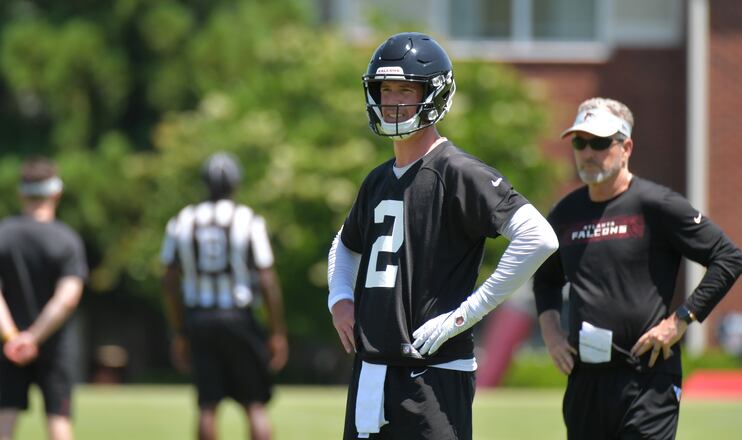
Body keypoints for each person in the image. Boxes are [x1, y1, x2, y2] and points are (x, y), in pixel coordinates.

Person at [327, 32, 559, 440]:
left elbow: (538, 237)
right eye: (385, 89)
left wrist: (467, 313)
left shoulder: (457, 171)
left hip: (431, 374)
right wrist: (340, 298)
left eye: (406, 89)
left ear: (434, 95)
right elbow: (345, 245)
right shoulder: (378, 179)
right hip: (372, 371)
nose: (393, 101)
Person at [533, 97, 742, 439]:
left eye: (600, 143)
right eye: (580, 142)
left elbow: (728, 257)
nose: (588, 152)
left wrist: (680, 321)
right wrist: (551, 334)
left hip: (648, 379)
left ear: (626, 146)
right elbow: (546, 280)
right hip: (586, 381)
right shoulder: (565, 214)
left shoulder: (657, 204)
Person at [161, 152, 288, 440]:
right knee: (255, 404)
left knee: (208, 404)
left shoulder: (182, 220)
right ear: (236, 183)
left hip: (199, 317)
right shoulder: (249, 220)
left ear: (204, 183)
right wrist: (276, 331)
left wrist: (179, 330)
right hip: (238, 317)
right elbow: (267, 279)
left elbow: (169, 281)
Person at [0, 156, 88, 440]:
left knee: (5, 420)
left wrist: (12, 336)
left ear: (21, 192)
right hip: (56, 347)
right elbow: (67, 299)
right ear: (56, 192)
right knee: (59, 422)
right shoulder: (67, 241)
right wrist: (34, 338)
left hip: (10, 348)